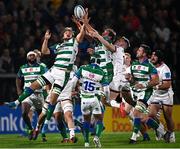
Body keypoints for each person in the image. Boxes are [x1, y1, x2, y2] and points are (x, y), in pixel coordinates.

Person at [8, 24, 85, 142]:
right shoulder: (59, 46)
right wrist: (46, 39)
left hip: (62, 75)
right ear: (63, 35)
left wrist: (83, 25)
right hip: (53, 70)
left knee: (52, 104)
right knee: (33, 85)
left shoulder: (74, 42)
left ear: (72, 35)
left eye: (70, 32)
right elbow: (44, 51)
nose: (68, 33)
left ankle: (47, 130)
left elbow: (81, 36)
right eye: (66, 32)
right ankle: (16, 102)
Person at [63, 53, 110, 147]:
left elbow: (73, 81)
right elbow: (106, 89)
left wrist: (71, 91)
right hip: (95, 99)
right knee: (99, 119)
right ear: (99, 62)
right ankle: (96, 137)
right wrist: (107, 99)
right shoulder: (102, 72)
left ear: (91, 60)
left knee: (86, 121)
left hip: (84, 99)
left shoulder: (83, 68)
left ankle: (86, 142)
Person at [121, 44, 166, 144]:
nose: (137, 51)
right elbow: (133, 82)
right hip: (136, 93)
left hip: (147, 93)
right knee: (140, 117)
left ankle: (133, 138)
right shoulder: (134, 65)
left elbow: (156, 81)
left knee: (135, 113)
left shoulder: (150, 66)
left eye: (140, 50)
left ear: (144, 54)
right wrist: (129, 79)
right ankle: (161, 130)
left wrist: (144, 85)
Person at [16, 51, 48, 140]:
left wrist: (47, 89)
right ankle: (30, 129)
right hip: (27, 94)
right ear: (27, 57)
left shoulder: (41, 67)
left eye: (33, 55)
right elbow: (18, 78)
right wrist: (19, 90)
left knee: (41, 116)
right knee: (24, 113)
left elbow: (48, 76)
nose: (32, 57)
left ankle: (38, 132)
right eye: (30, 55)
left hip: (39, 94)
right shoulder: (23, 68)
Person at [149, 50, 175, 143]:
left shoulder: (165, 69)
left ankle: (171, 134)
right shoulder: (150, 66)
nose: (152, 57)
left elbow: (167, 85)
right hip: (156, 94)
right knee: (151, 115)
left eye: (155, 56)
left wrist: (155, 85)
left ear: (159, 58)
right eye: (152, 55)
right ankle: (160, 129)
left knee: (167, 117)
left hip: (166, 95)